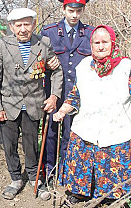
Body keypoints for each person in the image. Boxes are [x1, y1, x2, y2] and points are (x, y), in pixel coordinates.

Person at [0, 8, 63, 200]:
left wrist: (54, 96)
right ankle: (15, 179)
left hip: (34, 104)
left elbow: (56, 70)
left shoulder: (43, 44)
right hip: (8, 106)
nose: (23, 29)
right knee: (10, 145)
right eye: (18, 25)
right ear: (11, 27)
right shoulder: (1, 45)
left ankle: (34, 177)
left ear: (33, 25)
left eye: (27, 24)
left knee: (31, 145)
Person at [53, 25, 131, 205]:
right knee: (80, 163)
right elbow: (75, 95)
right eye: (97, 42)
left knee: (115, 168)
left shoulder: (126, 67)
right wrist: (62, 111)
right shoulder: (83, 66)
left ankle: (115, 198)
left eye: (105, 42)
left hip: (117, 129)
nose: (101, 46)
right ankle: (78, 193)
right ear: (91, 44)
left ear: (113, 43)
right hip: (86, 128)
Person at [40, 0, 94, 182]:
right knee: (50, 134)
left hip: (77, 95)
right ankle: (49, 170)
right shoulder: (49, 32)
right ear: (63, 9)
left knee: (71, 135)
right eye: (71, 10)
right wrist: (45, 64)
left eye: (78, 11)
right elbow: (37, 60)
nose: (74, 15)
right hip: (53, 92)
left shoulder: (89, 34)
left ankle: (66, 171)